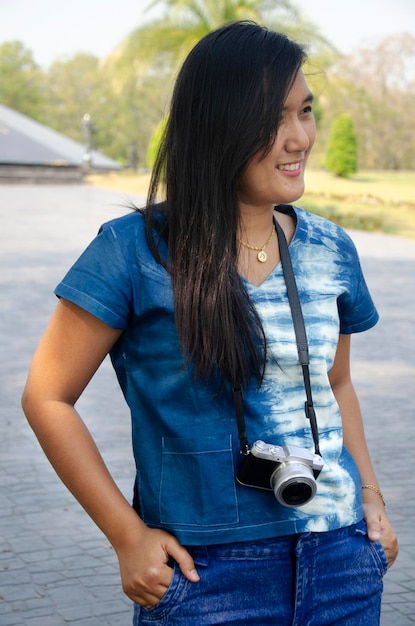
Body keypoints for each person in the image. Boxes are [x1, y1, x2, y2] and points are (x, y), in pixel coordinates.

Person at [22, 21, 398, 625]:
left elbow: (336, 384)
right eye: (275, 118)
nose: (300, 137)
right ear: (219, 125)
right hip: (205, 574)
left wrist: (373, 504)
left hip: (342, 561)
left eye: (306, 111)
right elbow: (46, 395)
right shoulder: (133, 250)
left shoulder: (331, 249)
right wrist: (127, 536)